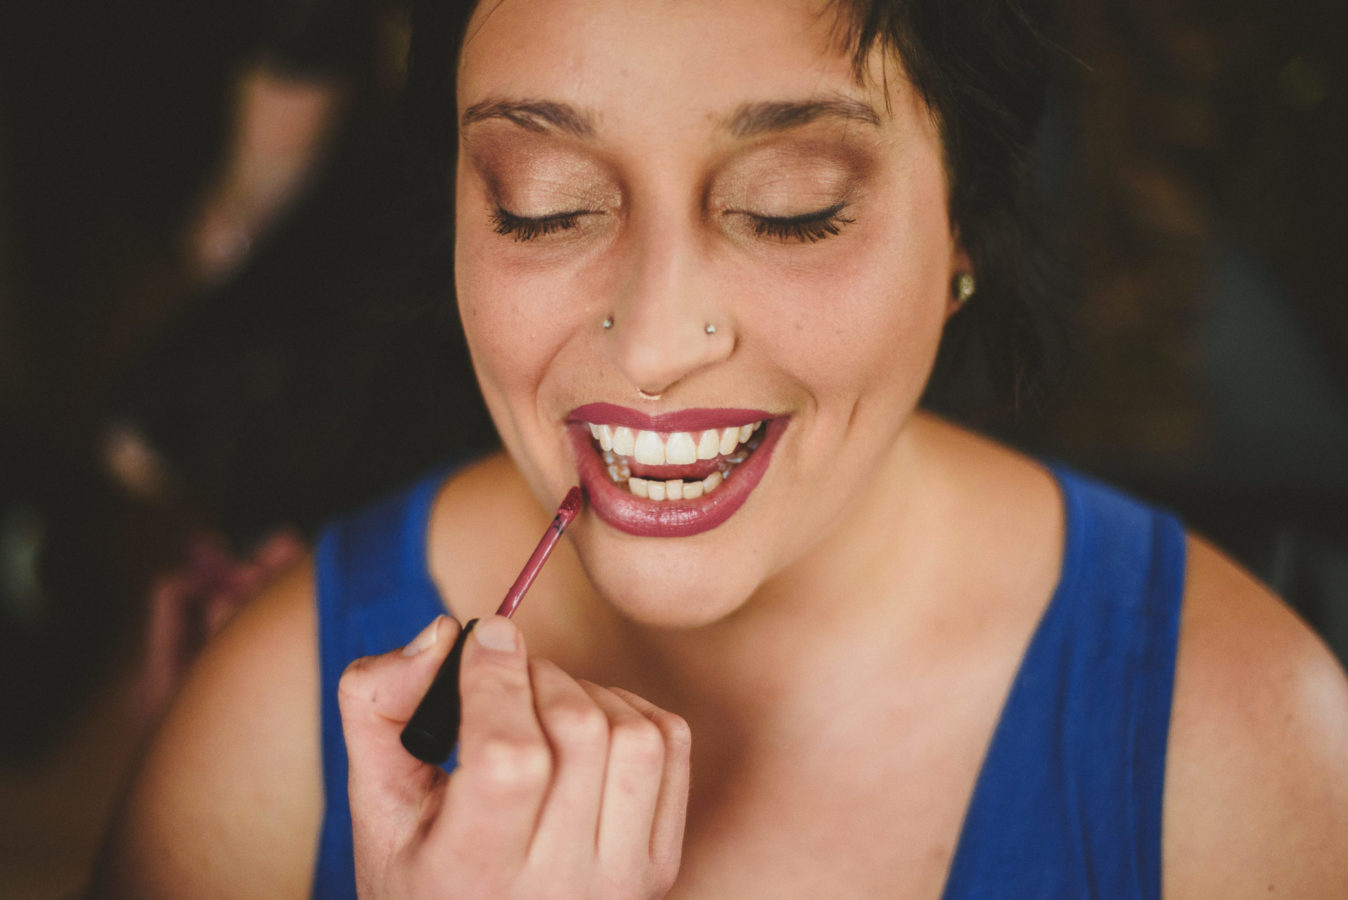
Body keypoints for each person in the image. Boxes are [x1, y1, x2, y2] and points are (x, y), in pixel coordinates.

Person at [96, 0, 1348, 897]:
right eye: (545, 205)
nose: (652, 344)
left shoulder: (1249, 767)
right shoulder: (265, 743)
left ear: (964, 222)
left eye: (787, 211)